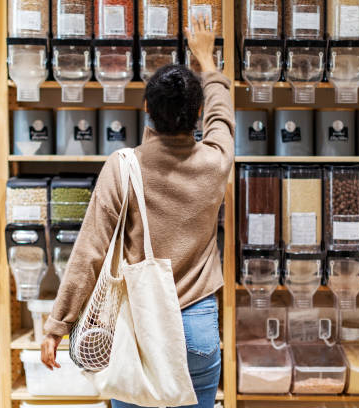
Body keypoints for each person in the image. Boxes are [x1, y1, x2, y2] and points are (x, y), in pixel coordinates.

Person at [41, 15, 234, 408]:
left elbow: (90, 249)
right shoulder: (215, 162)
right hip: (197, 333)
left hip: (139, 331)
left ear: (146, 109)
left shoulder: (124, 165)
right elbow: (223, 117)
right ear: (197, 115)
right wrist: (208, 63)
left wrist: (57, 324)